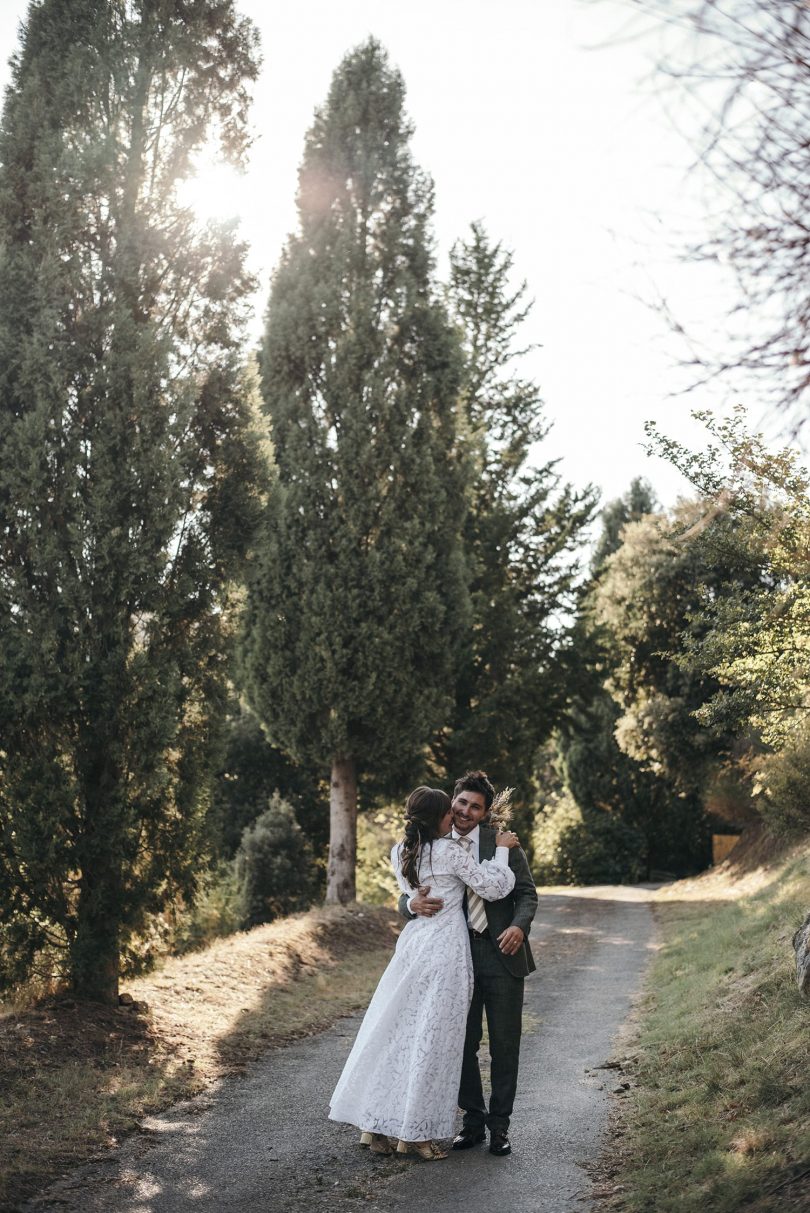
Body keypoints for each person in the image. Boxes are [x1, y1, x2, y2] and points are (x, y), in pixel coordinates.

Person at [329, 786, 519, 1160]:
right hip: (446, 952)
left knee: (399, 1036)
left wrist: (413, 902)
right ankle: (417, 1135)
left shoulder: (399, 850)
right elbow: (495, 888)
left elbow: (411, 889)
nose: (456, 815)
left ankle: (377, 1127)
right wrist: (501, 849)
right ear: (439, 818)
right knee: (435, 1044)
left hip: (413, 948)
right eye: (450, 810)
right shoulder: (449, 851)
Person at [400, 770, 538, 1157]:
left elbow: (527, 894)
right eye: (461, 802)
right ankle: (472, 1123)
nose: (465, 811)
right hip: (454, 955)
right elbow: (407, 889)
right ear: (452, 801)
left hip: (503, 955)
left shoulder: (502, 843)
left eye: (475, 806)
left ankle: (500, 1128)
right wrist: (410, 905)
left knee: (505, 1044)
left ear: (485, 812)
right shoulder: (433, 841)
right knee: (460, 1042)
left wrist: (518, 926)